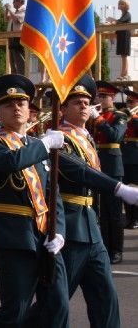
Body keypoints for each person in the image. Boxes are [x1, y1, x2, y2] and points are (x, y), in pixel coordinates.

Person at [0, 74, 69, 327]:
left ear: (30, 110)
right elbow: (10, 162)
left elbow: (53, 194)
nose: (16, 108)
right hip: (14, 238)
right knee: (14, 313)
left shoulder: (35, 144)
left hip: (45, 236)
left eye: (21, 103)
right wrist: (45, 143)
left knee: (57, 305)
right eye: (8, 104)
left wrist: (59, 231)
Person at [55, 74, 138, 328]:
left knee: (105, 297)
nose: (84, 105)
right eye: (76, 101)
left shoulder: (85, 136)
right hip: (70, 226)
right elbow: (78, 171)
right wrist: (118, 188)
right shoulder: (59, 137)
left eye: (86, 101)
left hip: (90, 227)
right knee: (56, 303)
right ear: (63, 108)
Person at [92, 80, 128, 263]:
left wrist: (98, 120)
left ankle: (117, 250)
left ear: (112, 98)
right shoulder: (96, 116)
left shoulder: (119, 116)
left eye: (104, 96)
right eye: (99, 96)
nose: (100, 99)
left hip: (113, 167)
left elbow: (115, 135)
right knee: (101, 211)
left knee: (114, 211)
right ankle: (105, 246)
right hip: (98, 165)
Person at [122, 88, 138, 229]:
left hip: (135, 157)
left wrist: (133, 117)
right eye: (127, 101)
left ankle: (136, 218)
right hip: (125, 156)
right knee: (127, 188)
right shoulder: (126, 116)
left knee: (136, 188)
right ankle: (129, 217)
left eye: (131, 102)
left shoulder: (135, 117)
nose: (128, 104)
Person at [107, 0, 132, 80]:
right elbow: (119, 23)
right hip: (122, 36)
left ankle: (123, 74)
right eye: (120, 4)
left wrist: (112, 21)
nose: (120, 5)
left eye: (122, 4)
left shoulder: (128, 14)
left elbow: (120, 22)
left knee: (124, 55)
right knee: (123, 55)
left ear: (126, 5)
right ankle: (125, 73)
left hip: (125, 37)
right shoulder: (123, 15)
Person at [5, 0, 26, 75]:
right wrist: (7, 10)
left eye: (15, 1)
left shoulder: (24, 10)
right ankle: (14, 77)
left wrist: (10, 9)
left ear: (20, 1)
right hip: (12, 38)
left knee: (19, 60)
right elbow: (6, 19)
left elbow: (17, 20)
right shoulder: (15, 11)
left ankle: (22, 77)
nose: (13, 3)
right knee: (12, 60)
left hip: (18, 37)